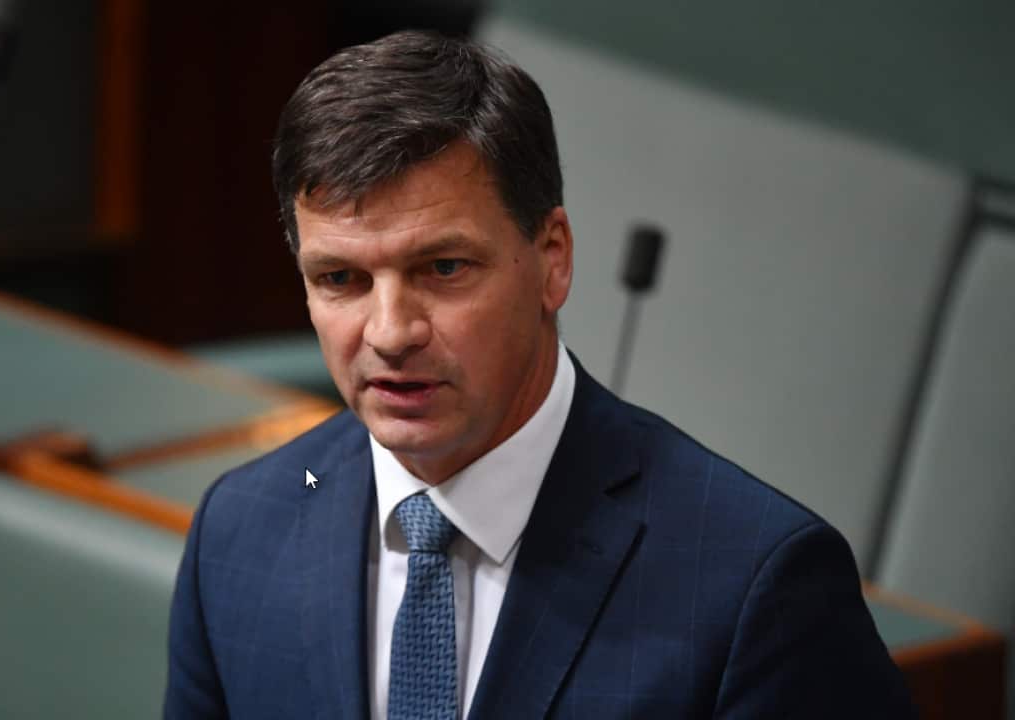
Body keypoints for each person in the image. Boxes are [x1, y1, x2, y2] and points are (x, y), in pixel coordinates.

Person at [165, 29, 914, 719]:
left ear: (552, 257)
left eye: (444, 267)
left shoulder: (754, 586)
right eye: (340, 279)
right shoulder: (240, 532)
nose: (390, 333)